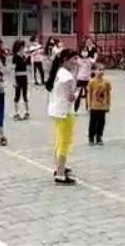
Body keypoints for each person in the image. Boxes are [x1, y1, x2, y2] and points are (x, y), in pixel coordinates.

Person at [46, 49, 79, 185]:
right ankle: (60, 174)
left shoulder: (59, 72)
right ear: (65, 60)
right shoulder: (68, 77)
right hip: (65, 112)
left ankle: (59, 166)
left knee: (59, 140)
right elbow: (70, 97)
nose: (76, 62)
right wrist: (77, 93)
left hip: (56, 110)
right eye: (73, 59)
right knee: (64, 142)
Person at [87, 64, 111, 146]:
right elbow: (89, 94)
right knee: (92, 123)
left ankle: (99, 136)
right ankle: (91, 137)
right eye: (99, 70)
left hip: (103, 106)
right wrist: (89, 106)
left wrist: (108, 105)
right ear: (94, 71)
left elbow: (108, 94)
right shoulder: (91, 82)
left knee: (101, 122)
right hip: (94, 106)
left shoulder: (106, 82)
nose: (101, 72)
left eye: (103, 70)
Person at [11, 40, 30, 120]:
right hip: (18, 77)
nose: (23, 49)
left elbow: (27, 67)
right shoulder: (15, 57)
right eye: (22, 47)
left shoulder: (24, 56)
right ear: (19, 48)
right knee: (17, 95)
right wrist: (14, 80)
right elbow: (13, 69)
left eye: (23, 47)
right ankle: (16, 112)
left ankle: (27, 111)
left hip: (24, 77)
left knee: (25, 95)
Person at [74, 48, 93, 112]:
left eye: (86, 51)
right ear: (81, 52)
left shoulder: (90, 60)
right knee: (78, 94)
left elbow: (94, 64)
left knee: (88, 94)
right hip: (80, 78)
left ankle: (89, 108)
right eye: (83, 51)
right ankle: (75, 108)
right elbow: (76, 69)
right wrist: (75, 77)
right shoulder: (78, 60)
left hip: (87, 79)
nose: (84, 53)